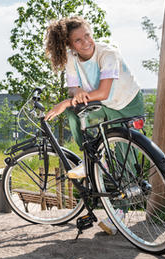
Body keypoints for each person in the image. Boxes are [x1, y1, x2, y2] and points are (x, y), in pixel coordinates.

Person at [45, 16, 144, 234]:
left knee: (122, 156)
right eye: (78, 40)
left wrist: (65, 102)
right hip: (103, 104)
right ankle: (92, 158)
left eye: (87, 35)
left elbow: (103, 92)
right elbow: (73, 87)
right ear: (70, 45)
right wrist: (76, 92)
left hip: (126, 102)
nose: (86, 42)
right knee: (75, 113)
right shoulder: (72, 59)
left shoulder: (108, 54)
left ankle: (120, 213)